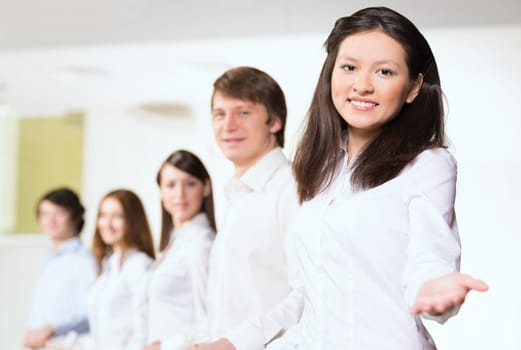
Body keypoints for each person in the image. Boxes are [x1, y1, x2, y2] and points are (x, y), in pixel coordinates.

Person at [264, 6, 488, 349]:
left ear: (413, 87)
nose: (362, 85)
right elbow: (317, 301)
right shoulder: (318, 169)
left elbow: (430, 259)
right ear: (331, 74)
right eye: (349, 67)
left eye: (384, 71)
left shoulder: (428, 165)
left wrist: (435, 287)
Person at [185, 66, 301, 350]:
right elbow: (227, 307)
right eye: (220, 114)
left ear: (274, 122)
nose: (228, 126)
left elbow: (308, 295)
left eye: (243, 112)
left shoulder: (293, 189)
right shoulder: (238, 197)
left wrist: (236, 343)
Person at [48, 189, 156, 350]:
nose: (107, 223)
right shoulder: (108, 266)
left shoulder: (139, 265)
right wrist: (66, 344)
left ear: (133, 220)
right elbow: (105, 334)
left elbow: (143, 332)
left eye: (117, 216)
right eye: (103, 215)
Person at [143, 150, 216, 350]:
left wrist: (166, 346)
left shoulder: (201, 244)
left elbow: (212, 317)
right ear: (160, 192)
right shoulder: (174, 243)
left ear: (206, 187)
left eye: (190, 183)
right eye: (170, 185)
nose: (179, 194)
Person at [23, 187, 96, 350]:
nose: (50, 220)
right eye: (44, 214)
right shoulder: (51, 259)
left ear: (76, 218)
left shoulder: (84, 260)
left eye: (59, 213)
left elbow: (91, 311)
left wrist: (51, 329)